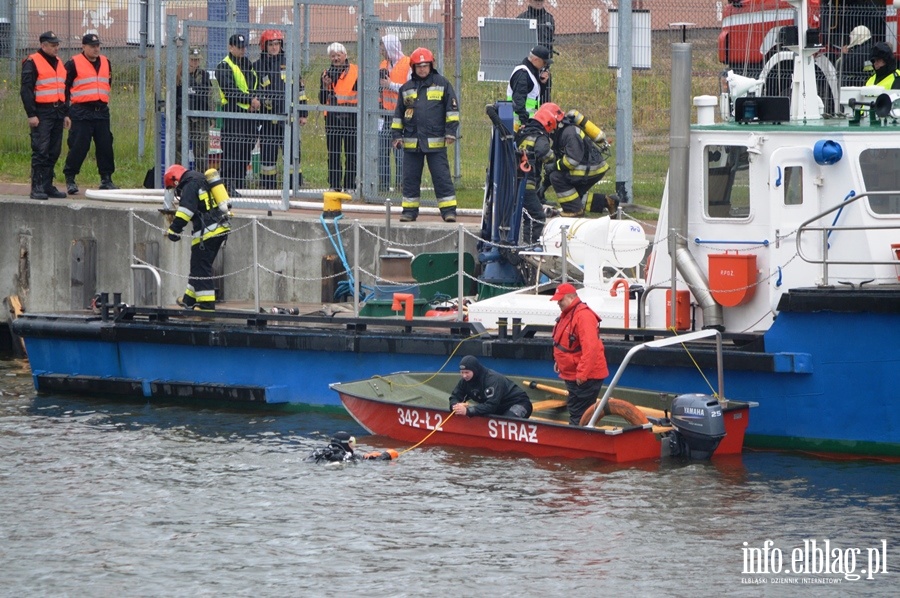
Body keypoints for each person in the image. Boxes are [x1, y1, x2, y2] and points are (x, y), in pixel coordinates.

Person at [391, 47, 460, 223]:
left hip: (435, 143)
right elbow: (399, 114)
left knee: (441, 177)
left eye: (425, 65)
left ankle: (448, 211)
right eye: (418, 66)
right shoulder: (406, 89)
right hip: (412, 143)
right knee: (410, 178)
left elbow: (452, 110)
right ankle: (409, 211)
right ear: (413, 67)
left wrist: (450, 132)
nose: (422, 69)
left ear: (431, 66)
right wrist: (397, 136)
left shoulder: (442, 84)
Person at [163, 164, 231, 310]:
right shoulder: (200, 179)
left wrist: (174, 230)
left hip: (208, 231)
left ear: (175, 181)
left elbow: (185, 211)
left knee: (201, 267)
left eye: (174, 188)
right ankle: (189, 299)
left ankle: (206, 304)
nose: (176, 191)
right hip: (220, 227)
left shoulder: (189, 185)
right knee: (197, 265)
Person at [62, 33, 117, 195]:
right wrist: (66, 112)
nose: (96, 49)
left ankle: (106, 179)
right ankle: (70, 177)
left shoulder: (106, 62)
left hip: (101, 111)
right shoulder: (73, 63)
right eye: (92, 46)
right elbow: (64, 88)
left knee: (105, 145)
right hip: (81, 112)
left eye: (97, 46)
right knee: (79, 146)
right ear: (83, 47)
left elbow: (108, 83)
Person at [254, 30, 308, 190]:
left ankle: (294, 187)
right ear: (264, 46)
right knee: (268, 158)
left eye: (277, 44)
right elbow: (253, 90)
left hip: (289, 119)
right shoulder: (257, 66)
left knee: (292, 156)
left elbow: (300, 90)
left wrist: (303, 113)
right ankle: (267, 189)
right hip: (268, 120)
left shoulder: (289, 63)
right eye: (271, 44)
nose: (274, 47)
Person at [20, 31, 71, 200]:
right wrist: (31, 114)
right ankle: (37, 187)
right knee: (41, 150)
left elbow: (64, 89)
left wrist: (65, 114)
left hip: (57, 111)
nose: (57, 48)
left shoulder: (58, 62)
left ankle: (47, 185)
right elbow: (26, 90)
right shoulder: (32, 62)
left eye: (57, 45)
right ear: (43, 45)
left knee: (54, 151)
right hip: (41, 113)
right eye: (53, 45)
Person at [550, 283, 609, 425]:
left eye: (561, 300)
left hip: (585, 376)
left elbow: (590, 348)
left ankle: (579, 440)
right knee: (578, 410)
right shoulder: (569, 314)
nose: (558, 303)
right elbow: (566, 342)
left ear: (571, 298)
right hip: (574, 373)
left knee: (579, 413)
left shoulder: (583, 316)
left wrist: (583, 373)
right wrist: (559, 361)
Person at [544, 109, 619, 217]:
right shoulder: (560, 133)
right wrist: (544, 185)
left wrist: (554, 166)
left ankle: (574, 210)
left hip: (590, 168)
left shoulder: (569, 133)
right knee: (573, 195)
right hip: (590, 166)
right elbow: (558, 159)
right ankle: (608, 202)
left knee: (557, 177)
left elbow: (572, 161)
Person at [215, 33, 260, 195]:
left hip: (250, 116)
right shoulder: (224, 66)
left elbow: (255, 83)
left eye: (244, 47)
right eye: (239, 47)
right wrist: (250, 101)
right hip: (233, 115)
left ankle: (239, 186)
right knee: (232, 150)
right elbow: (230, 91)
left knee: (245, 150)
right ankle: (227, 185)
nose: (242, 50)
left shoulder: (247, 64)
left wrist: (255, 101)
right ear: (230, 47)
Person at [515, 102, 564, 246]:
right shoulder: (540, 137)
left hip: (514, 182)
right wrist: (555, 158)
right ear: (549, 121)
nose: (555, 127)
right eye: (555, 123)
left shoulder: (523, 132)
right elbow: (544, 153)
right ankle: (530, 246)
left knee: (525, 215)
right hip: (527, 184)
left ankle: (523, 242)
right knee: (537, 216)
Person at [319, 43, 358, 192]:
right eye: (333, 56)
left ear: (345, 55)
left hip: (352, 116)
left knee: (352, 153)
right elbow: (322, 99)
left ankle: (350, 185)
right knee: (334, 153)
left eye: (338, 55)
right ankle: (334, 185)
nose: (336, 58)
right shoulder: (325, 74)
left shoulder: (355, 71)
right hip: (332, 118)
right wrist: (324, 85)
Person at [449, 356, 534, 419]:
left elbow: (491, 406)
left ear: (475, 370)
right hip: (498, 408)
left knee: (507, 422)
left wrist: (468, 411)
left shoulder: (492, 379)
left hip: (519, 403)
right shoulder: (464, 381)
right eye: (462, 372)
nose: (464, 376)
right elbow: (455, 396)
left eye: (467, 372)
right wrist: (455, 406)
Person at [378, 34, 411, 192]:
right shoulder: (384, 64)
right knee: (382, 150)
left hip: (402, 114)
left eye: (383, 47)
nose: (381, 50)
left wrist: (390, 85)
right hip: (385, 113)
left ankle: (401, 184)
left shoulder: (407, 63)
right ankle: (383, 184)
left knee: (400, 151)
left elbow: (409, 88)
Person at [175, 47, 212, 173]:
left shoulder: (204, 75)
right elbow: (174, 96)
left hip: (200, 117)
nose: (195, 62)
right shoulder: (178, 75)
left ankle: (200, 178)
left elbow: (208, 96)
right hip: (182, 117)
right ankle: (178, 178)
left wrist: (210, 116)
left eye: (197, 60)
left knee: (201, 150)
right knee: (179, 149)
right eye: (192, 59)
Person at [517, 0, 556, 103]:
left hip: (543, 67)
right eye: (536, 0)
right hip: (527, 67)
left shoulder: (549, 19)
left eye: (541, 0)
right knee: (527, 100)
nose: (538, 2)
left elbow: (550, 46)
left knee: (544, 101)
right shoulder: (521, 19)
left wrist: (546, 69)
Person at [506, 45, 552, 130]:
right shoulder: (523, 73)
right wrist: (524, 122)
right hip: (519, 125)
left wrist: (542, 83)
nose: (545, 65)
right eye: (544, 62)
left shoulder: (531, 72)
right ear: (535, 60)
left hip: (527, 123)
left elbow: (533, 97)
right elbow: (518, 100)